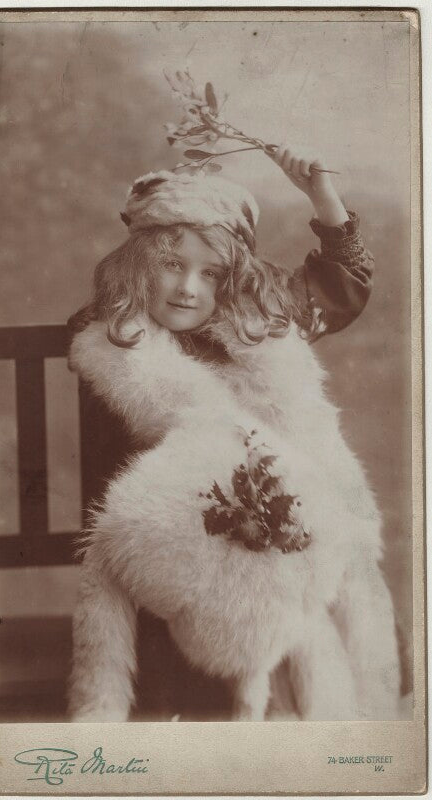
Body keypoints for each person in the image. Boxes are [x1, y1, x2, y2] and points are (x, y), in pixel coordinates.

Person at [67, 148, 399, 722]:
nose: (187, 287)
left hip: (292, 535)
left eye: (211, 273)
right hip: (186, 558)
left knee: (330, 591)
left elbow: (345, 280)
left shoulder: (261, 319)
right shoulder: (120, 347)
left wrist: (320, 195)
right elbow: (123, 492)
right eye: (171, 264)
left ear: (234, 277)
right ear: (138, 265)